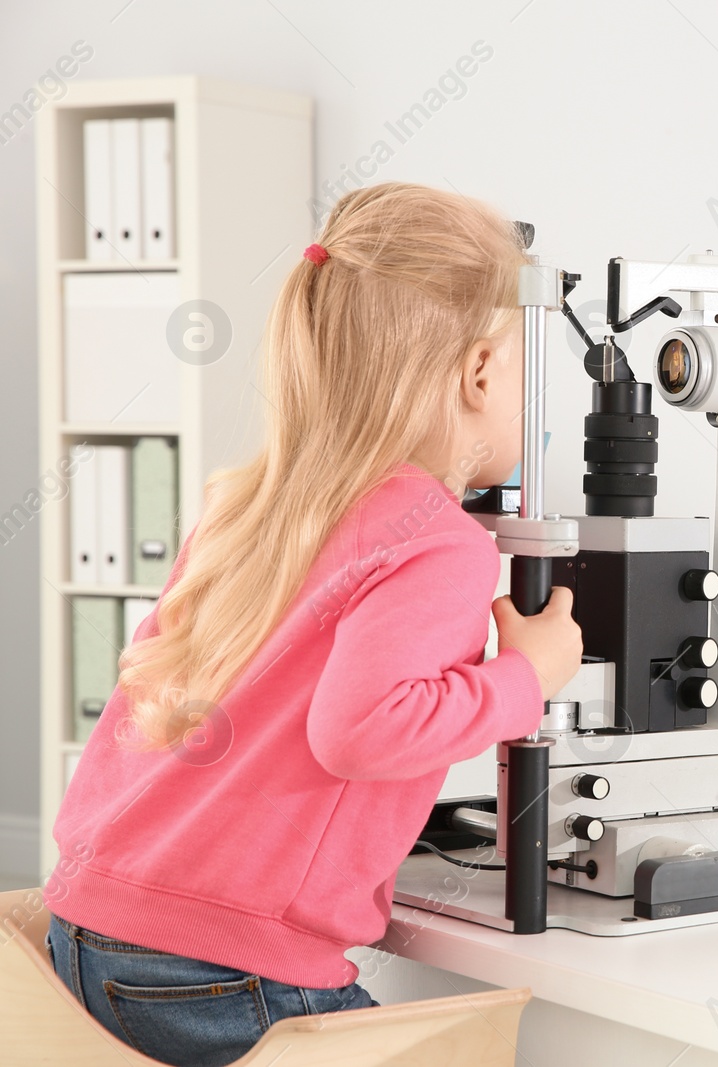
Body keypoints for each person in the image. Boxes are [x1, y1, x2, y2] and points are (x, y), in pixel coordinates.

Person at [43, 183, 583, 1067]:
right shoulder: (439, 539)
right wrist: (528, 675)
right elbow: (363, 727)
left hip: (85, 931)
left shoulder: (246, 503)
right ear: (481, 371)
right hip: (222, 971)